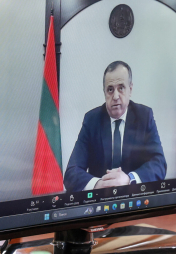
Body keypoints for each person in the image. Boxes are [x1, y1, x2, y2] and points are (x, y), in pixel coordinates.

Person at [63, 61, 167, 192]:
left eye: (121, 88)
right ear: (104, 92)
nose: (116, 96)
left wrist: (129, 179)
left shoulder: (144, 116)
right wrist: (99, 184)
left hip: (135, 197)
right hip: (102, 199)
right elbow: (71, 173)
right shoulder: (92, 120)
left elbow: (159, 164)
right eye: (110, 90)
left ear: (130, 89)